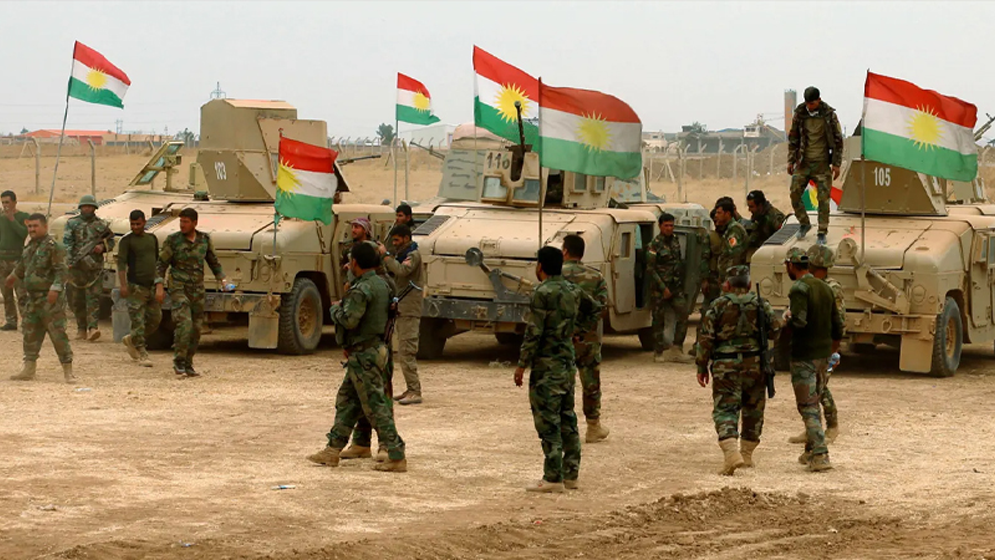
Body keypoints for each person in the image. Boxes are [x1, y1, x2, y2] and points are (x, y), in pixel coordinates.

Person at [308, 242, 407, 473]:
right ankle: (333, 449)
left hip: (364, 355)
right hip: (371, 352)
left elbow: (349, 320)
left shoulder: (362, 289)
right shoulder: (382, 284)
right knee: (347, 400)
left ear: (355, 263)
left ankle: (396, 453)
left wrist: (334, 309)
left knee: (375, 406)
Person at [513, 246, 598, 493]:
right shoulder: (573, 290)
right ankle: (571, 474)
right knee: (567, 418)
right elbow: (595, 308)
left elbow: (534, 332)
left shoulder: (542, 292)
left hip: (546, 367)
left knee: (548, 422)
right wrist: (578, 331)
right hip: (566, 364)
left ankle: (552, 477)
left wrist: (522, 364)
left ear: (540, 266)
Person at [696, 265, 780, 475]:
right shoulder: (761, 304)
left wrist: (701, 366)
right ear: (749, 284)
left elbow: (705, 339)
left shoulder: (717, 305)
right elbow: (775, 331)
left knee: (726, 409)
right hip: (755, 365)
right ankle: (747, 454)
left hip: (726, 366)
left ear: (727, 285)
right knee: (754, 409)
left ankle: (731, 454)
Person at [783, 247, 843, 472]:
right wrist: (831, 350)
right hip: (822, 355)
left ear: (791, 265)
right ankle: (810, 451)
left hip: (804, 356)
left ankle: (820, 454)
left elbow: (799, 322)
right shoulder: (826, 288)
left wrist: (785, 321)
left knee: (807, 406)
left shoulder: (799, 289)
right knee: (815, 400)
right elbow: (837, 326)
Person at [156, 208, 228, 377]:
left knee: (196, 328)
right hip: (179, 287)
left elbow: (213, 261)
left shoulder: (204, 240)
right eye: (181, 221)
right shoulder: (173, 240)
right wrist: (159, 285)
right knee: (184, 324)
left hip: (197, 290)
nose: (182, 225)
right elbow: (161, 264)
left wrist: (222, 279)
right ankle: (179, 362)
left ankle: (188, 363)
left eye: (186, 222)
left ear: (195, 223)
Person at [6, 213, 74, 383]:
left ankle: (68, 370)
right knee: (30, 333)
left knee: (57, 335)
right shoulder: (29, 247)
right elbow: (22, 266)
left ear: (45, 226)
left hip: (49, 300)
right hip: (32, 299)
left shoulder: (54, 247)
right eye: (29, 226)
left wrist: (55, 288)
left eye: (35, 226)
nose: (32, 229)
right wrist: (13, 276)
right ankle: (29, 369)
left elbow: (61, 271)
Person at [561, 234, 610, 443]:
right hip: (587, 340)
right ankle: (593, 426)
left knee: (562, 382)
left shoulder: (555, 276)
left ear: (565, 251)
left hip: (561, 338)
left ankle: (563, 427)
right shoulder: (595, 277)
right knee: (590, 382)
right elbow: (602, 308)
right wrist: (584, 329)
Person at [788, 86, 844, 245]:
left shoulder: (829, 115)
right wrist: (791, 160)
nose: (809, 106)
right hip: (803, 163)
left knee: (823, 200)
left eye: (812, 103)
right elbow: (793, 139)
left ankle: (822, 232)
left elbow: (838, 141)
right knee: (794, 193)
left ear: (818, 100)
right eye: (807, 103)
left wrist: (836, 164)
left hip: (822, 164)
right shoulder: (800, 114)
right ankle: (804, 223)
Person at [379, 224, 424, 405]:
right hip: (403, 308)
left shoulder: (413, 255)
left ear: (406, 238)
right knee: (403, 351)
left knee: (407, 351)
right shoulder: (403, 254)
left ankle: (415, 390)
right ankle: (410, 388)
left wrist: (386, 256)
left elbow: (401, 270)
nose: (395, 243)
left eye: (397, 240)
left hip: (409, 310)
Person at [64, 194, 114, 341]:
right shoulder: (72, 223)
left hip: (94, 268)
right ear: (80, 208)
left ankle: (93, 328)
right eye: (85, 206)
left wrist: (102, 247)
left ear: (94, 208)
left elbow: (111, 242)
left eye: (90, 207)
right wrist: (70, 260)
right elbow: (67, 243)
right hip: (77, 267)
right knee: (77, 299)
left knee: (93, 298)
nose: (87, 209)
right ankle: (81, 328)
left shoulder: (101, 225)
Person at [117, 210, 162, 368]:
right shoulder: (127, 241)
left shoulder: (152, 239)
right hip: (135, 287)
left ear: (144, 222)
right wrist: (123, 285)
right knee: (138, 322)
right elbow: (121, 264)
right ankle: (142, 353)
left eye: (138, 224)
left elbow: (157, 263)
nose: (135, 227)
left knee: (155, 319)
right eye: (132, 224)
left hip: (151, 286)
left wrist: (159, 284)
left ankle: (132, 339)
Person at [647, 213, 691, 363]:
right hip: (659, 289)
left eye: (671, 225)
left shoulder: (675, 241)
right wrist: (663, 288)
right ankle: (658, 351)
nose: (669, 228)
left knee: (683, 314)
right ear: (660, 226)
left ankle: (677, 348)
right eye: (666, 225)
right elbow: (650, 269)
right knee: (658, 320)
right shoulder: (654, 245)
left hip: (675, 287)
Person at [0, 190, 29, 331]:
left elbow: (23, 233)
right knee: (6, 292)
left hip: (17, 259)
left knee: (21, 292)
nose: (5, 205)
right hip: (2, 259)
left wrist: (12, 219)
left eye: (7, 202)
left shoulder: (23, 217)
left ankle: (26, 321)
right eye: (3, 202)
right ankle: (11, 320)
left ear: (14, 202)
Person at [713, 200, 747, 284]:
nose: (716, 215)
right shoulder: (728, 229)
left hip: (733, 279)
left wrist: (730, 278)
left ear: (727, 214)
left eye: (719, 213)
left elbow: (735, 254)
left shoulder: (734, 229)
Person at [745, 190, 786, 260]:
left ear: (760, 205)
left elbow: (783, 238)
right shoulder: (757, 215)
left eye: (751, 207)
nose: (749, 210)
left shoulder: (774, 217)